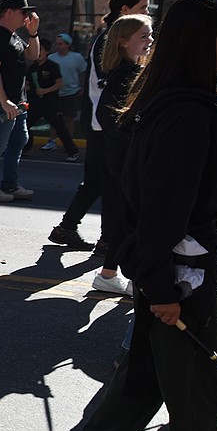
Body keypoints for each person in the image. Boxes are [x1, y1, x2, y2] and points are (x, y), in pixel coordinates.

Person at [68, 0, 217, 431]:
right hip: (180, 276)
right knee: (200, 385)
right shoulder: (188, 110)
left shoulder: (182, 98)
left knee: (146, 370)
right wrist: (163, 287)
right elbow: (163, 211)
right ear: (207, 39)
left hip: (171, 271)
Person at [49, 0, 150, 250]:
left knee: (97, 180)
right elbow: (113, 84)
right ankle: (107, 239)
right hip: (105, 124)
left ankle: (67, 227)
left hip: (101, 122)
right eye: (143, 8)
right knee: (112, 183)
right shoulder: (114, 40)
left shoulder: (118, 38)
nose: (148, 13)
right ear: (125, 10)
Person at [91, 15, 153, 300]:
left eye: (151, 35)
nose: (150, 41)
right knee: (132, 220)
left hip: (124, 158)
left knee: (124, 218)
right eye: (143, 36)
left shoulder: (130, 72)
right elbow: (109, 118)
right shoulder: (127, 76)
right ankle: (128, 277)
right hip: (126, 160)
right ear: (123, 41)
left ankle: (109, 274)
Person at [0, 0, 41, 202]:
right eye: (23, 12)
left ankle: (10, 184)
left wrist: (33, 34)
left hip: (17, 103)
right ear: (8, 12)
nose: (26, 17)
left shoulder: (14, 36)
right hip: (1, 104)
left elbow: (33, 55)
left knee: (19, 140)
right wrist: (4, 101)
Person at [23, 43, 80, 162]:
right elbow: (28, 84)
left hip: (50, 103)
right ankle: (25, 147)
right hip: (35, 102)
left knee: (60, 127)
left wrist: (45, 90)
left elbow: (59, 83)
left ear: (47, 52)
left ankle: (73, 151)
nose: (38, 53)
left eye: (41, 50)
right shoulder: (32, 68)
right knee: (25, 125)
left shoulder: (52, 66)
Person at [46, 32, 87, 150]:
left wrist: (83, 87)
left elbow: (83, 72)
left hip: (72, 92)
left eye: (61, 44)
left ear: (67, 45)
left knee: (69, 118)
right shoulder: (51, 58)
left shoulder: (77, 57)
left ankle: (68, 142)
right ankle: (52, 141)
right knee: (53, 118)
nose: (58, 46)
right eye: (57, 44)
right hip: (55, 92)